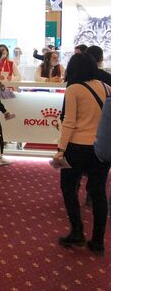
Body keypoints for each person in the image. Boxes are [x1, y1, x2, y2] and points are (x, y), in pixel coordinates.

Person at [53, 53, 111, 254]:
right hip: (101, 148)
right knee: (99, 193)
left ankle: (77, 231)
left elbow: (69, 122)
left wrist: (61, 150)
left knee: (69, 187)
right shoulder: (107, 88)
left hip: (77, 147)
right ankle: (98, 240)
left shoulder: (74, 89)